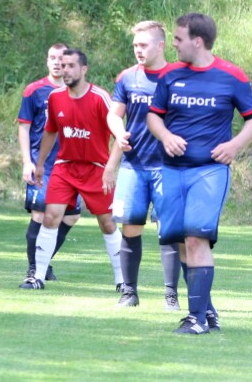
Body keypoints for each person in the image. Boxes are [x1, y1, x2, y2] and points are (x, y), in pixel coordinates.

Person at [147, 13, 252, 334]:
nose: (174, 44)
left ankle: (195, 319)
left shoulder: (231, 76)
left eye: (178, 39)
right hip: (171, 171)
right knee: (182, 241)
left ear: (198, 41)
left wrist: (234, 145)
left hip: (209, 171)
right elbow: (154, 116)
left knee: (196, 237)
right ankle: (206, 309)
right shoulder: (170, 75)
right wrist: (166, 136)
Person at [21, 48, 123, 290]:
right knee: (50, 217)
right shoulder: (55, 97)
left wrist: (110, 168)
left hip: (96, 169)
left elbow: (120, 136)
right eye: (62, 65)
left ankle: (123, 280)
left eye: (70, 66)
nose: (64, 70)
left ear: (83, 69)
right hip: (64, 167)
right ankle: (37, 276)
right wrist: (39, 164)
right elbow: (50, 131)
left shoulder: (100, 97)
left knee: (107, 223)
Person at [104, 21, 181, 310]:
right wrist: (118, 132)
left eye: (144, 45)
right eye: (135, 45)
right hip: (133, 167)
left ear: (160, 46)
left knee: (168, 231)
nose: (138, 50)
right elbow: (114, 115)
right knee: (130, 228)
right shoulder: (127, 77)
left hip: (168, 168)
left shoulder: (177, 77)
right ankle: (129, 293)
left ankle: (171, 295)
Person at [17, 43, 81, 286]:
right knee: (40, 214)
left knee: (71, 216)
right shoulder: (35, 90)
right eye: (52, 58)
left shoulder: (78, 91)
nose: (56, 62)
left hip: (71, 165)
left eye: (61, 59)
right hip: (43, 165)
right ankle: (34, 269)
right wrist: (27, 162)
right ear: (47, 61)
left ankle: (43, 261)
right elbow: (24, 127)